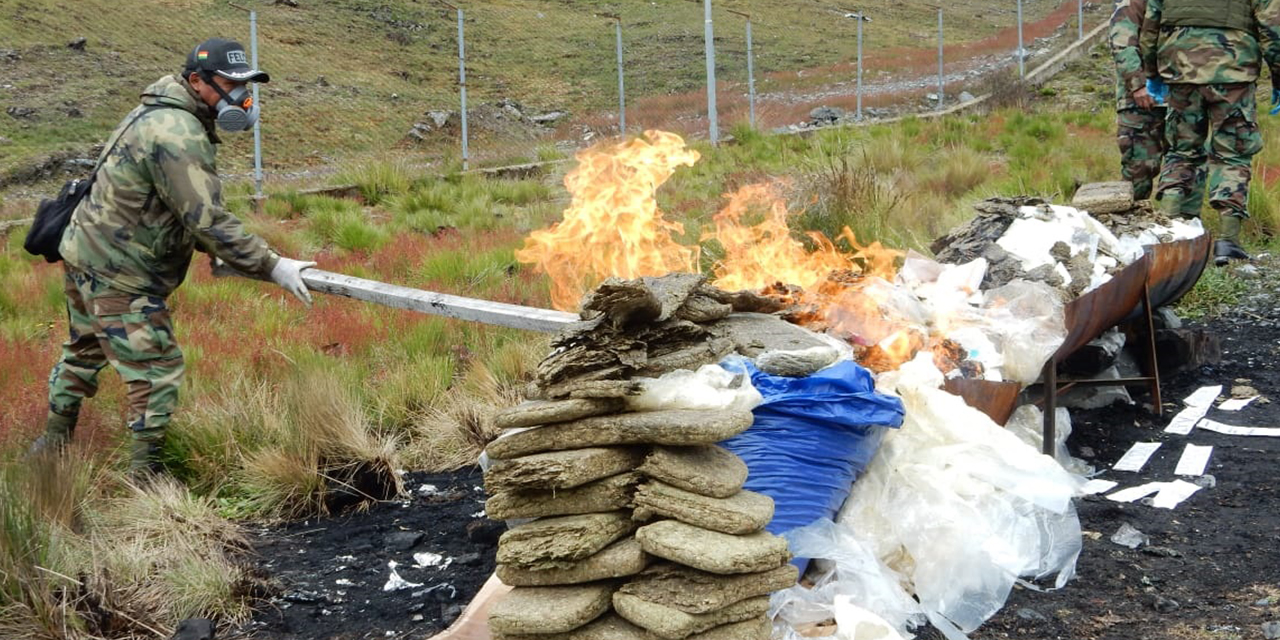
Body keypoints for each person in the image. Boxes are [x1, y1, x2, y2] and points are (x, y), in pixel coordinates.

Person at [30, 38, 316, 474]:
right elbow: (205, 217)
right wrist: (272, 265)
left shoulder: (157, 111)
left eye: (245, 84)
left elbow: (172, 205)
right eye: (230, 84)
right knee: (155, 370)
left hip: (87, 252)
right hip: (122, 270)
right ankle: (146, 479)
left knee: (83, 351)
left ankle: (51, 448)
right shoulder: (177, 132)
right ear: (197, 81)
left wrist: (223, 250)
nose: (242, 95)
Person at [1140, 0, 1280, 265]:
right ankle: (1227, 242)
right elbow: (1273, 28)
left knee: (1181, 153)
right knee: (1233, 155)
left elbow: (1150, 28)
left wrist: (1153, 73)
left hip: (1180, 71)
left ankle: (1170, 236)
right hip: (1232, 73)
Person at [1110, 0, 1204, 209]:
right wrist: (1138, 85)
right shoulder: (1133, 3)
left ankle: (1182, 228)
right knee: (1139, 171)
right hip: (1140, 102)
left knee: (1186, 164)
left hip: (1183, 96)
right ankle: (1131, 228)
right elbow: (1122, 43)